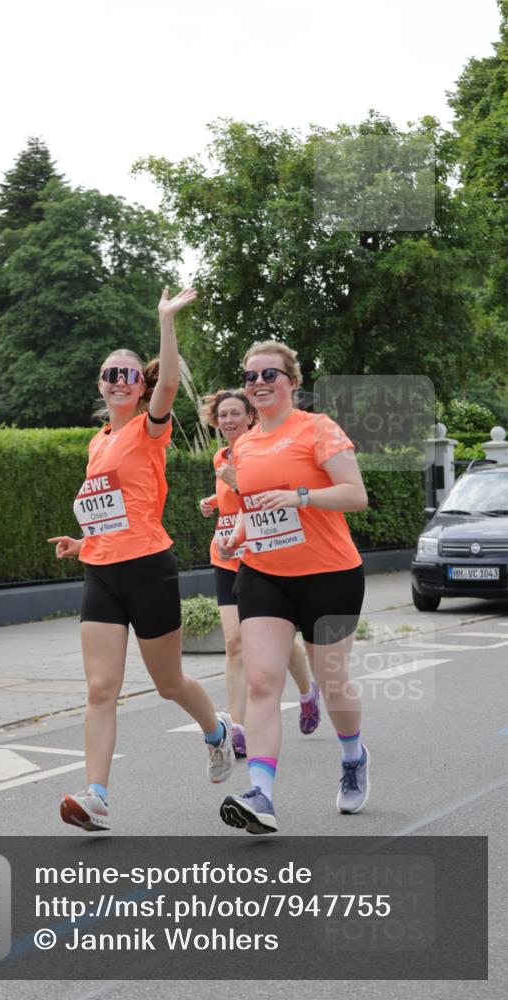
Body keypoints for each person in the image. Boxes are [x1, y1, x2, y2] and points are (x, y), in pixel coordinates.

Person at [48, 288, 233, 832]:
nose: (119, 380)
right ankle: (96, 796)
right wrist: (83, 542)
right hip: (101, 573)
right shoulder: (97, 441)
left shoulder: (149, 428)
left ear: (139, 385)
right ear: (101, 384)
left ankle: (217, 732)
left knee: (169, 684)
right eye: (110, 374)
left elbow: (169, 383)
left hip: (149, 569)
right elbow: (110, 508)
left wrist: (165, 320)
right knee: (100, 688)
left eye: (128, 374)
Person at [217, 340, 369, 834]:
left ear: (292, 381)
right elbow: (253, 505)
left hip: (330, 574)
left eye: (270, 375)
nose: (259, 383)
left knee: (332, 680)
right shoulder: (244, 444)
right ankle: (261, 795)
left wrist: (301, 496)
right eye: (250, 377)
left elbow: (356, 495)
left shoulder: (317, 428)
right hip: (264, 573)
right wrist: (239, 532)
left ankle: (353, 756)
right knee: (262, 681)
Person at [198, 389, 321, 758]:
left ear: (251, 417)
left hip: (261, 556)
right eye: (223, 415)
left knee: (278, 639)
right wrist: (214, 501)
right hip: (225, 554)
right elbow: (234, 502)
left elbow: (268, 497)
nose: (228, 420)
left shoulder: (265, 450)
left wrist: (237, 481)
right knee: (235, 643)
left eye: (235, 413)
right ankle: (238, 729)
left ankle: (307, 691)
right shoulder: (221, 457)